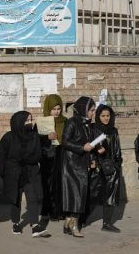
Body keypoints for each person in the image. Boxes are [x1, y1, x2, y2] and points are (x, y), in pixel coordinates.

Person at [0, 111, 48, 238]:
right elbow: (2, 156)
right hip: (13, 174)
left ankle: (35, 226)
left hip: (29, 173)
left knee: (32, 198)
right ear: (19, 122)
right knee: (16, 200)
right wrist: (2, 173)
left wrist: (28, 160)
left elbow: (38, 155)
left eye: (31, 120)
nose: (30, 123)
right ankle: (16, 223)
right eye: (27, 121)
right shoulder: (8, 137)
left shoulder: (33, 136)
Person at [61, 96, 95, 238]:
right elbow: (65, 142)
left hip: (82, 163)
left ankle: (68, 224)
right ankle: (74, 225)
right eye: (91, 110)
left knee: (79, 194)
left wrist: (91, 159)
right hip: (71, 164)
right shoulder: (72, 122)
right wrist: (82, 147)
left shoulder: (87, 124)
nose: (93, 113)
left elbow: (89, 144)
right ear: (83, 109)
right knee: (76, 194)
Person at [85, 104, 122, 233]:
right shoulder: (93, 129)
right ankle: (81, 220)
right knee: (91, 194)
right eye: (103, 116)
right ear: (98, 116)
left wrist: (117, 165)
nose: (106, 118)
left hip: (110, 168)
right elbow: (88, 148)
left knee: (110, 196)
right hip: (97, 167)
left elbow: (117, 150)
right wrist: (93, 159)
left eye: (108, 116)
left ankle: (107, 223)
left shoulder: (113, 130)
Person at [39, 94, 67, 223]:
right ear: (48, 109)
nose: (56, 112)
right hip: (48, 157)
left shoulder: (65, 121)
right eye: (53, 109)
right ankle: (48, 210)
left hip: (61, 155)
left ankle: (59, 211)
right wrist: (46, 138)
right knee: (48, 184)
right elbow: (36, 141)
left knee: (60, 183)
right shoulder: (42, 122)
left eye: (58, 108)